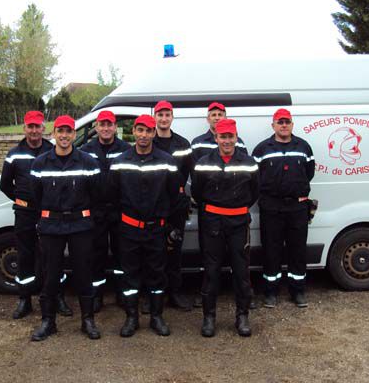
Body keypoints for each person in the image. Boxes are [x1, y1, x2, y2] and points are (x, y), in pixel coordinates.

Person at [29, 115, 101, 341]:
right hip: (51, 225)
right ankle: (48, 322)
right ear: (53, 133)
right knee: (50, 275)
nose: (64, 135)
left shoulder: (88, 162)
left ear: (73, 135)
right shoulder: (40, 163)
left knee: (83, 273)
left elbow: (97, 194)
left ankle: (87, 321)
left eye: (69, 131)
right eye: (60, 131)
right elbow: (35, 196)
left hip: (80, 224)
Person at [109, 114, 182, 337]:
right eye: (140, 130)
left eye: (148, 131)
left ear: (153, 133)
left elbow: (175, 198)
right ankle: (132, 318)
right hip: (129, 229)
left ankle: (156, 317)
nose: (143, 135)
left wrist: (171, 227)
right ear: (134, 131)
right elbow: (112, 197)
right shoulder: (120, 161)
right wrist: (119, 225)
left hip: (156, 229)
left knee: (157, 274)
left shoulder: (167, 161)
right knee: (130, 275)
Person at [0, 110, 72, 319]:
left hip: (50, 212)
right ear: (25, 128)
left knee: (53, 256)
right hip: (25, 213)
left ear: (43, 129)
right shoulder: (14, 154)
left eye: (37, 126)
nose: (33, 130)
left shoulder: (53, 150)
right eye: (30, 126)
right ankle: (25, 300)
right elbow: (5, 185)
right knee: (25, 256)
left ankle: (57, 297)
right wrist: (21, 200)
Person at [191, 118, 259, 337]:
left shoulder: (249, 162)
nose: (227, 141)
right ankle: (209, 317)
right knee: (211, 271)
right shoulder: (203, 162)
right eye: (223, 136)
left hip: (239, 223)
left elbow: (254, 192)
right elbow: (198, 193)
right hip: (213, 223)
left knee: (241, 271)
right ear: (216, 137)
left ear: (235, 137)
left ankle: (242, 316)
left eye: (231, 136)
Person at [252, 108, 315, 308]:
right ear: (273, 125)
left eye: (287, 121)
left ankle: (298, 291)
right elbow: (254, 177)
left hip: (297, 206)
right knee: (271, 250)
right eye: (280, 122)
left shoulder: (303, 147)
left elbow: (309, 172)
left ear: (292, 124)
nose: (284, 125)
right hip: (271, 206)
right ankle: (271, 292)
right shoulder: (262, 149)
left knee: (298, 250)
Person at [80, 110, 131, 312]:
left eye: (109, 124)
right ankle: (97, 295)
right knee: (97, 255)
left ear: (114, 127)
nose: (106, 128)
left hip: (119, 210)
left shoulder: (126, 149)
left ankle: (121, 293)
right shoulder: (86, 150)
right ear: (97, 127)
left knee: (122, 255)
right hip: (96, 210)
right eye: (102, 124)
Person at [152, 100, 193, 311]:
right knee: (154, 252)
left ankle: (175, 293)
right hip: (154, 205)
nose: (164, 118)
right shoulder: (149, 141)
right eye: (160, 115)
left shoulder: (183, 144)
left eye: (167, 115)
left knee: (174, 251)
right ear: (155, 117)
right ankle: (154, 295)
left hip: (175, 206)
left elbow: (190, 173)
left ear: (172, 117)